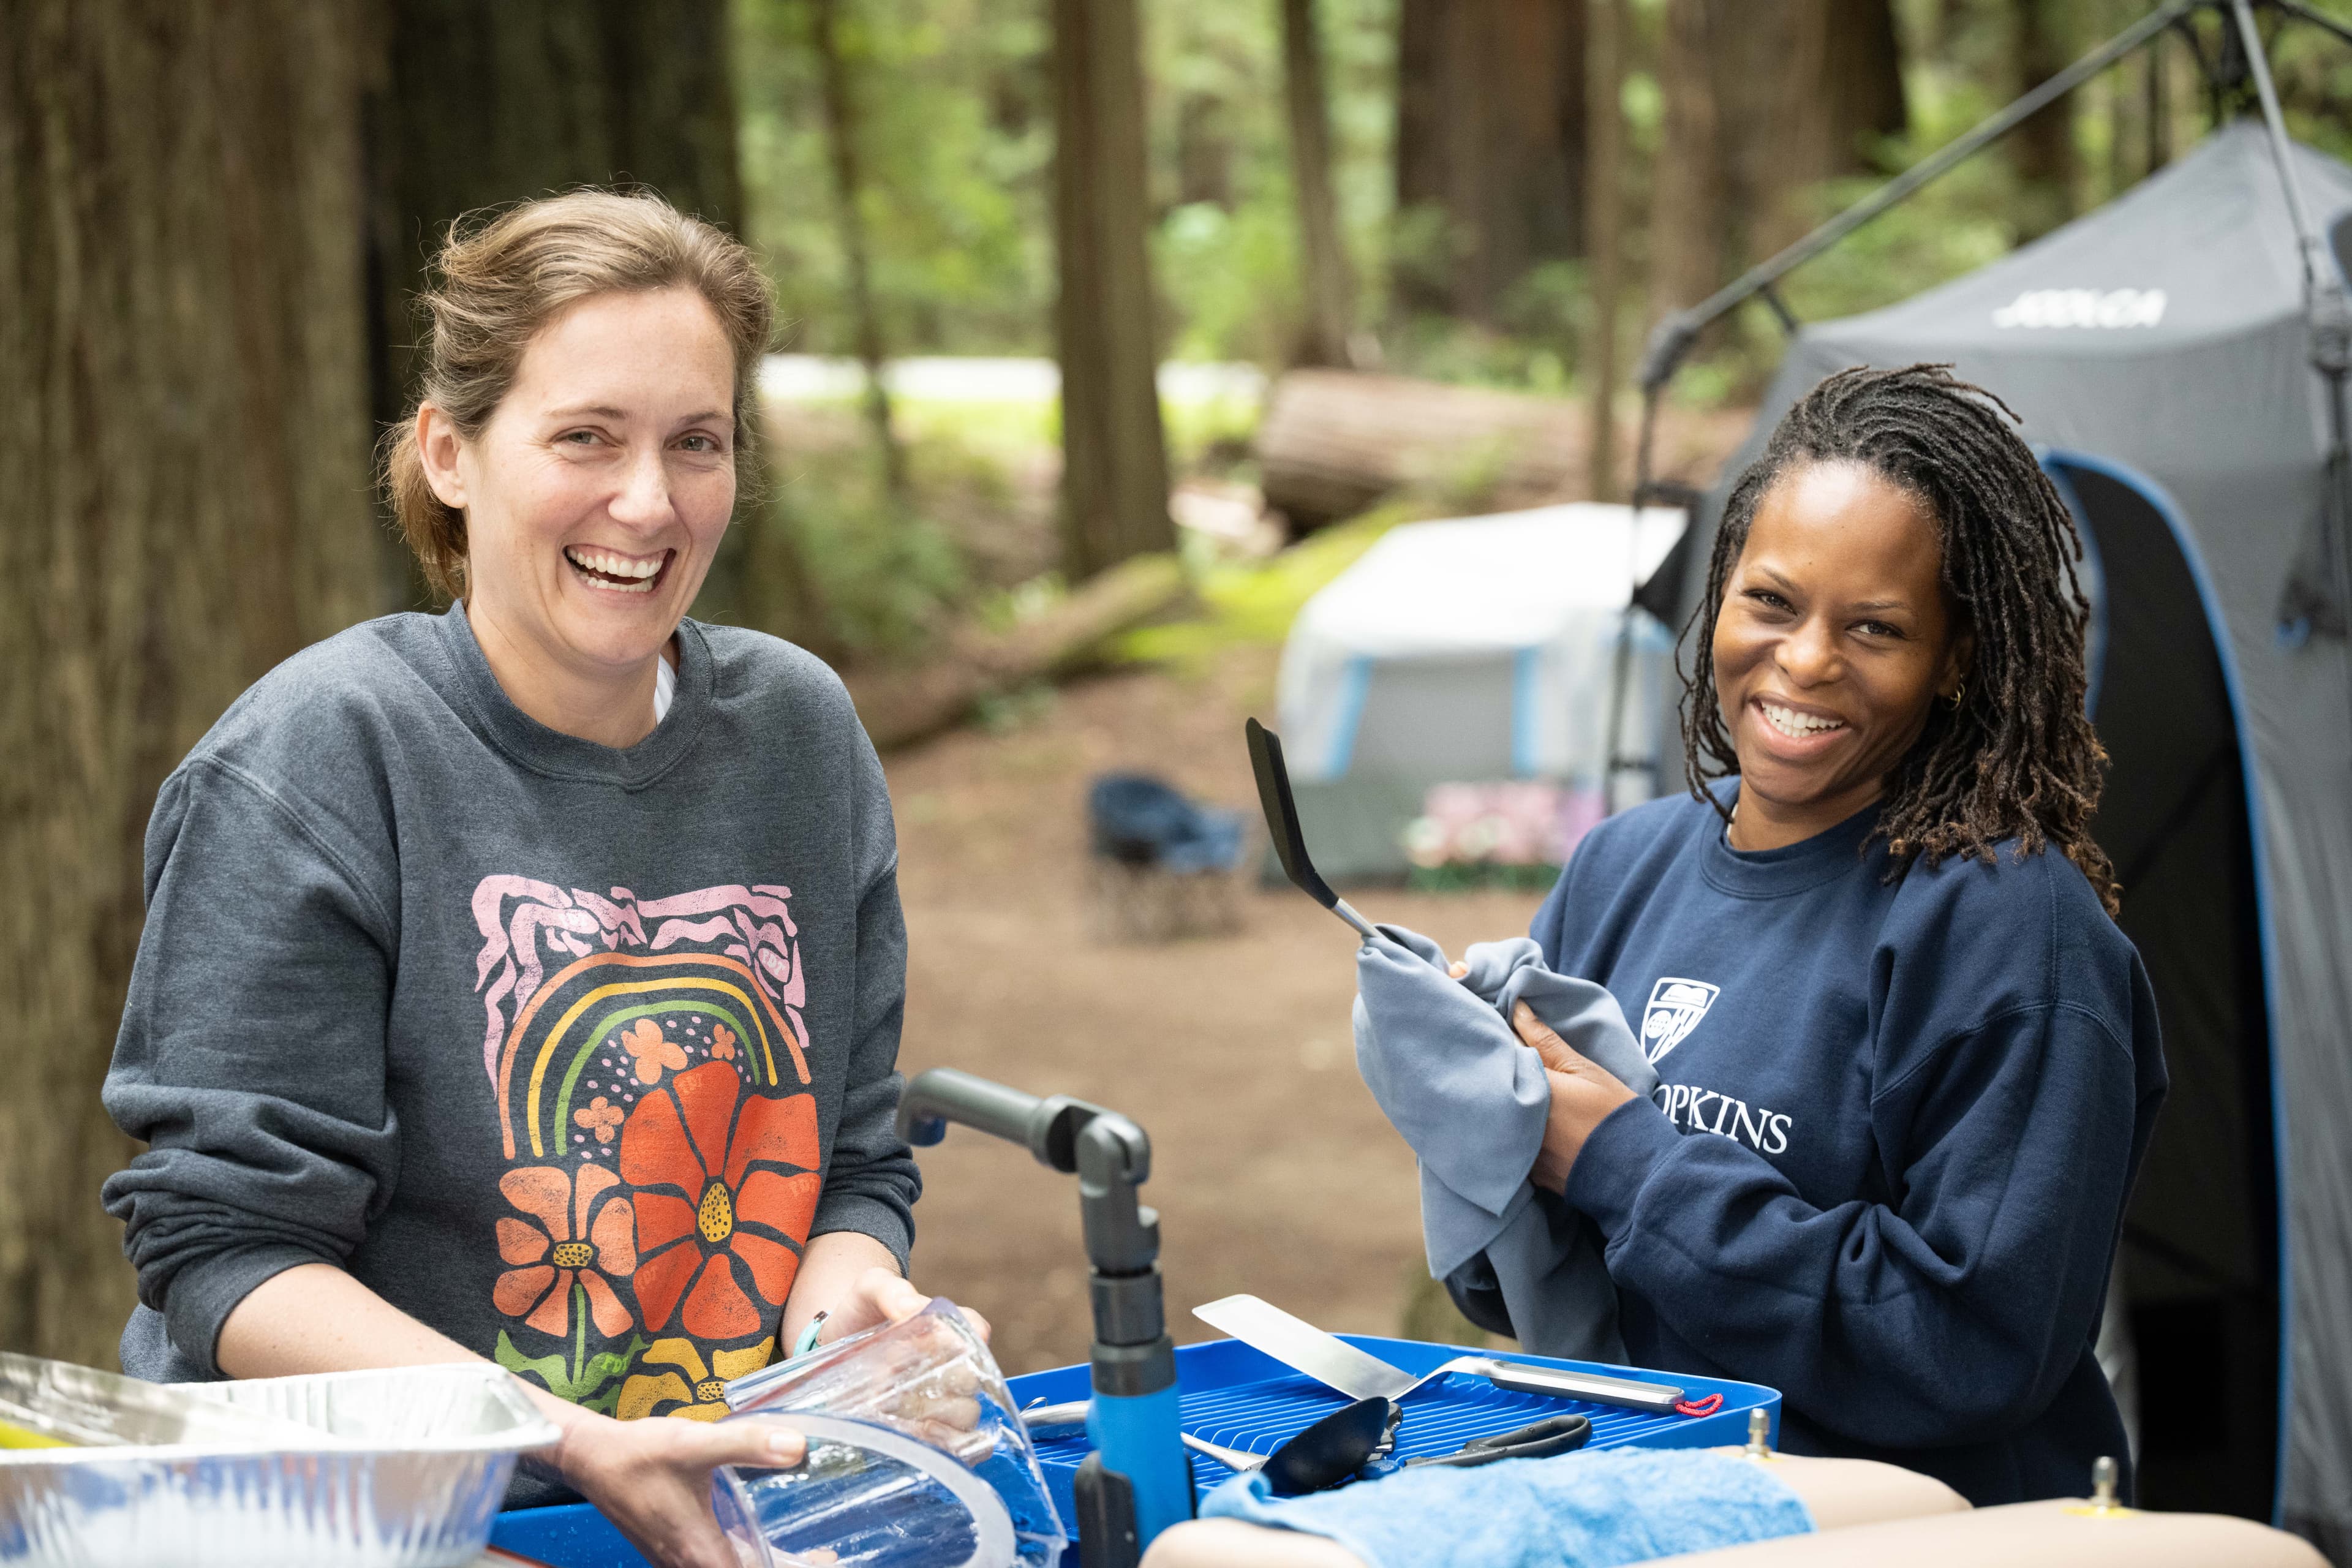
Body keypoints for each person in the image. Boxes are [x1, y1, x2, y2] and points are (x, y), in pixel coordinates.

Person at [100, 190, 969, 1568]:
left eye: (699, 442)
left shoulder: (800, 733)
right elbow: (227, 1256)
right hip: (348, 1516)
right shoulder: (315, 758)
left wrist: (847, 1298)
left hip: (711, 1501)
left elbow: (850, 1161)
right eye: (585, 437)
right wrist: (558, 1435)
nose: (650, 501)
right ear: (450, 452)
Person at [1449, 364, 2166, 1506]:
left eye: (1876, 626)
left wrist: (1621, 1162)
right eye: (1772, 602)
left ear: (1957, 660)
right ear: (1720, 595)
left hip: (1922, 1532)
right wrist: (1477, 1114)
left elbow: (1973, 1346)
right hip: (1655, 1505)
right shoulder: (1620, 869)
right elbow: (1528, 1289)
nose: (1807, 659)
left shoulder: (2011, 937)